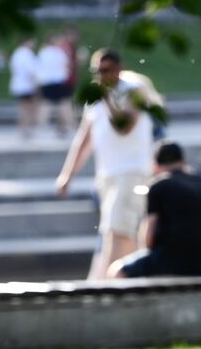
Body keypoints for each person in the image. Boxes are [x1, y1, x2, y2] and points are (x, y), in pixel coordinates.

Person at [55, 49, 155, 279]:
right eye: (97, 71)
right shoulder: (95, 100)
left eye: (106, 71)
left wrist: (108, 98)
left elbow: (124, 126)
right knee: (119, 232)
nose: (101, 76)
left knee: (117, 230)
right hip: (107, 174)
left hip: (132, 171)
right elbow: (84, 139)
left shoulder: (134, 91)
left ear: (119, 69)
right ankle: (123, 278)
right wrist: (67, 175)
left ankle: (106, 283)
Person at [111, 142, 201, 278]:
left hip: (173, 260)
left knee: (117, 271)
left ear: (156, 165)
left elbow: (148, 237)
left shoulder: (158, 186)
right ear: (182, 161)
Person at [35, 34, 74, 135]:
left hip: (47, 82)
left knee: (46, 105)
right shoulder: (59, 52)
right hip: (58, 81)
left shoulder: (43, 52)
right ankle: (69, 126)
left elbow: (39, 67)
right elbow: (66, 65)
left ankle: (41, 127)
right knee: (64, 105)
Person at [8, 37, 39, 139]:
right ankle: (27, 128)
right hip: (27, 86)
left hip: (17, 85)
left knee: (22, 108)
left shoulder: (16, 53)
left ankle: (23, 128)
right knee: (29, 108)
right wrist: (36, 84)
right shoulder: (27, 53)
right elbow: (31, 71)